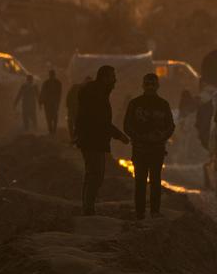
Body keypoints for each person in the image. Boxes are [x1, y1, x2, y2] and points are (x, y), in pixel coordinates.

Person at [76, 66, 129, 215]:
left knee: (92, 174)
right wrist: (120, 135)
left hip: (90, 138)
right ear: (104, 78)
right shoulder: (97, 94)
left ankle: (87, 207)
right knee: (96, 175)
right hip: (93, 139)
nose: (115, 80)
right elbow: (101, 121)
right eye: (112, 77)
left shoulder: (97, 92)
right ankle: (88, 209)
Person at [123, 73, 176, 220]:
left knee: (155, 181)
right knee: (140, 181)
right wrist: (139, 138)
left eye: (153, 84)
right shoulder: (135, 104)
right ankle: (140, 212)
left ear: (157, 86)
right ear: (143, 85)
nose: (150, 87)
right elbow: (127, 125)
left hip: (157, 150)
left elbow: (171, 126)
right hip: (140, 149)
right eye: (148, 84)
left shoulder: (163, 105)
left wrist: (160, 137)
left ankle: (154, 211)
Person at [66, 75, 91, 142]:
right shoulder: (75, 87)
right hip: (73, 109)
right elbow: (69, 97)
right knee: (71, 123)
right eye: (87, 82)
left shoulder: (89, 91)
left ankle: (77, 139)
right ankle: (72, 138)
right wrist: (68, 106)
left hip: (81, 112)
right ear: (84, 81)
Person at [39, 69, 63, 136]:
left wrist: (40, 102)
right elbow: (42, 92)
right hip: (50, 103)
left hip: (52, 103)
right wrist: (40, 101)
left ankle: (53, 130)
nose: (51, 76)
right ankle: (51, 130)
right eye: (51, 75)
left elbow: (59, 93)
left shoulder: (56, 83)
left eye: (51, 75)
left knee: (52, 116)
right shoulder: (55, 83)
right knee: (51, 116)